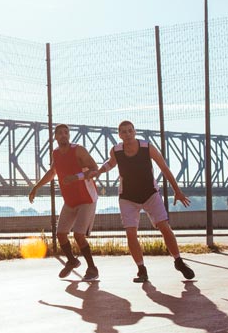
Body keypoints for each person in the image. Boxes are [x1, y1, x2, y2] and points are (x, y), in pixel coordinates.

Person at [90, 120, 194, 282]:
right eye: (123, 132)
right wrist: (100, 171)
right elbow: (110, 163)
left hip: (150, 194)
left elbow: (164, 168)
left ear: (135, 132)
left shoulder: (147, 147)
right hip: (127, 197)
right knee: (131, 233)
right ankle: (141, 270)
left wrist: (177, 190)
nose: (127, 134)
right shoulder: (116, 150)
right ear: (119, 135)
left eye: (130, 131)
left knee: (165, 227)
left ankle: (179, 261)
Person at [29, 124, 100, 282]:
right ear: (55, 137)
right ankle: (72, 261)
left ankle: (92, 269)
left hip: (87, 198)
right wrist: (36, 186)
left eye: (66, 133)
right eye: (60, 133)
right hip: (70, 201)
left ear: (69, 135)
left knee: (78, 235)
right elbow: (53, 172)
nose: (63, 135)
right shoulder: (55, 153)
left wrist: (76, 177)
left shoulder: (78, 150)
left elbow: (95, 169)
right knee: (61, 234)